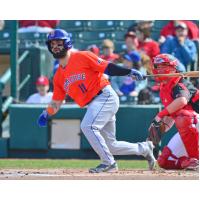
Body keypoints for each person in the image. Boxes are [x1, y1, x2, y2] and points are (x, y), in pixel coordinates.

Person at [37, 29, 156, 173]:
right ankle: (144, 148)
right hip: (94, 104)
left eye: (59, 43)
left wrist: (128, 71)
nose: (55, 46)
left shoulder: (82, 56)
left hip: (104, 96)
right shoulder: (58, 77)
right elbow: (56, 102)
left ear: (67, 43)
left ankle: (109, 163)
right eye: (52, 44)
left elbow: (108, 67)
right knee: (111, 145)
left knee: (88, 126)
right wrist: (46, 112)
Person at [148, 53, 199, 170]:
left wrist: (159, 115)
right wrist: (161, 128)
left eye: (160, 66)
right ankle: (187, 162)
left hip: (195, 120)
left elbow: (182, 101)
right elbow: (171, 115)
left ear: (170, 67)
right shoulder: (164, 88)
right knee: (164, 161)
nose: (156, 70)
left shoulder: (180, 82)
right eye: (156, 66)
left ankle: (195, 160)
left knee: (184, 117)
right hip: (191, 127)